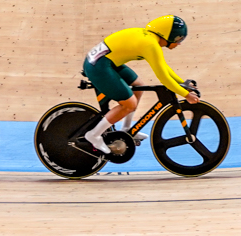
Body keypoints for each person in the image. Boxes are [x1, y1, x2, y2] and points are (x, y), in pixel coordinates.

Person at [71, 15, 195, 160]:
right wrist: (185, 94)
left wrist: (183, 84)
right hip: (99, 66)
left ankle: (126, 129)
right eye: (178, 39)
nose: (179, 43)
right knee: (129, 104)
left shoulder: (150, 39)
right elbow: (164, 78)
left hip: (105, 61)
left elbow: (163, 67)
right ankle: (93, 135)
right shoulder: (150, 45)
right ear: (167, 35)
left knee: (139, 86)